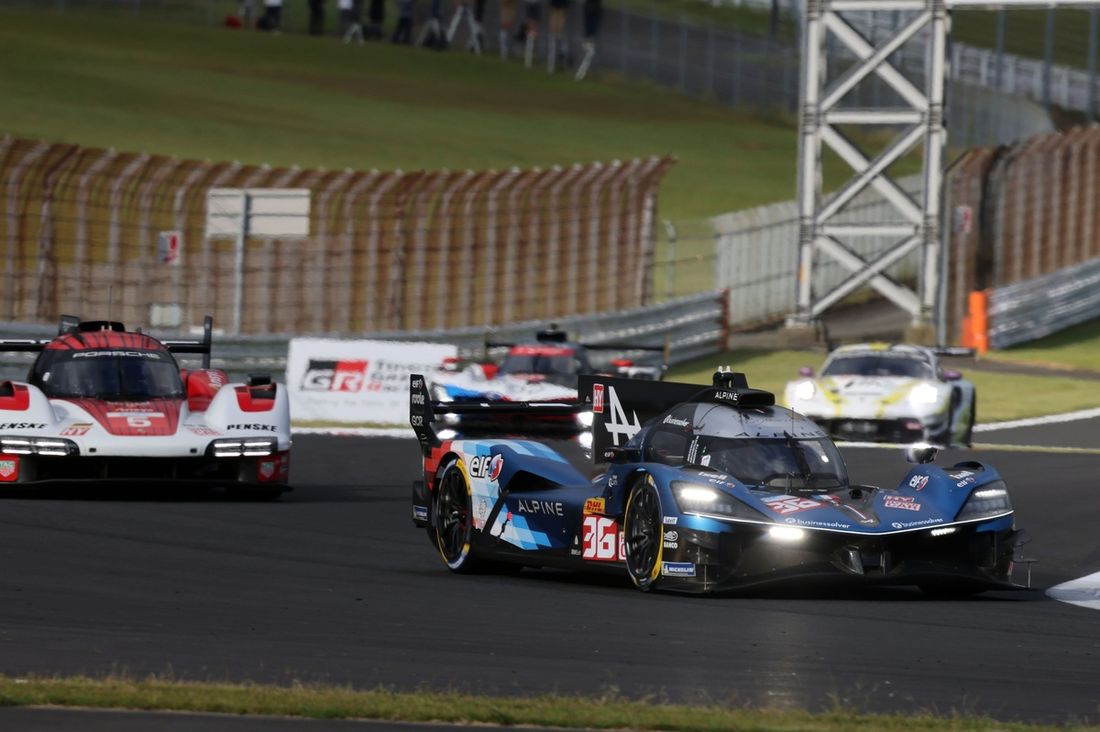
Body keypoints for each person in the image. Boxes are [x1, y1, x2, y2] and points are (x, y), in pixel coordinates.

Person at [575, 0, 602, 80]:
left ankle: (582, 71)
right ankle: (581, 72)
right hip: (592, 12)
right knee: (589, 48)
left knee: (589, 44)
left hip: (591, 11)